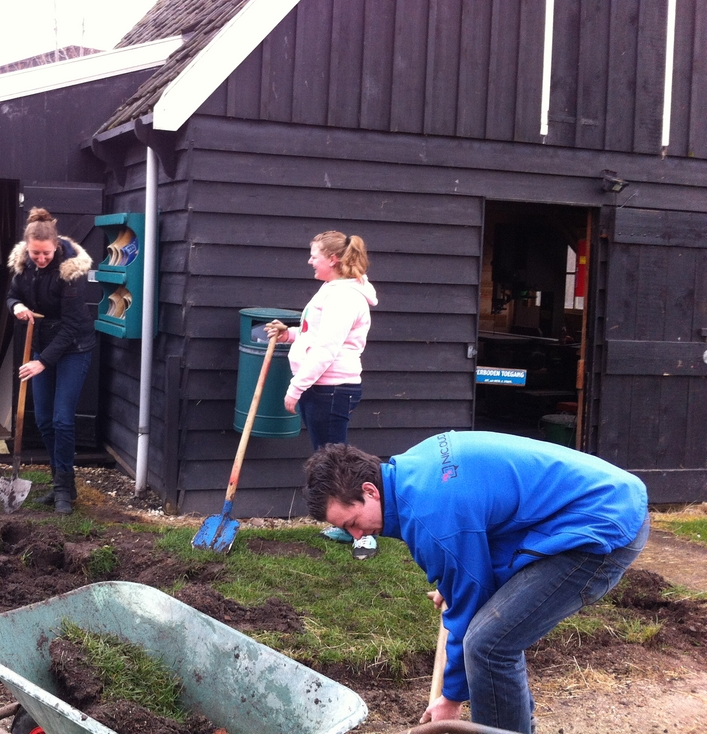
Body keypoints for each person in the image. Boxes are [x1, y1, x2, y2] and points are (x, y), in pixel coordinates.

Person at [304, 431, 649, 734]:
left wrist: (451, 697)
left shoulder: (433, 518)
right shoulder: (414, 470)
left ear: (369, 491)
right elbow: (482, 528)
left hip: (602, 524)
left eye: (352, 521)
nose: (355, 535)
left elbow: (470, 597)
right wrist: (456, 574)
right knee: (495, 634)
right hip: (586, 505)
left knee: (488, 644)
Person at [265, 230, 378, 558]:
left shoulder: (345, 298)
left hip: (331, 389)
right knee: (330, 459)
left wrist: (296, 385)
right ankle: (349, 526)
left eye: (314, 254)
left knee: (339, 464)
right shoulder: (333, 290)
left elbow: (327, 349)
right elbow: (317, 335)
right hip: (324, 388)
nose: (310, 260)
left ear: (333, 259)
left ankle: (365, 533)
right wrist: (290, 335)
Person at [6, 207, 96, 515]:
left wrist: (42, 362)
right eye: (35, 254)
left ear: (55, 245)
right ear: (28, 248)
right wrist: (16, 305)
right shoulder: (24, 266)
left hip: (74, 347)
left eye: (45, 253)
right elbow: (11, 294)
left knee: (62, 419)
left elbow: (71, 325)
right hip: (43, 347)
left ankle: (62, 489)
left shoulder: (70, 271)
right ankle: (63, 482)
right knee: (43, 419)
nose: (40, 259)